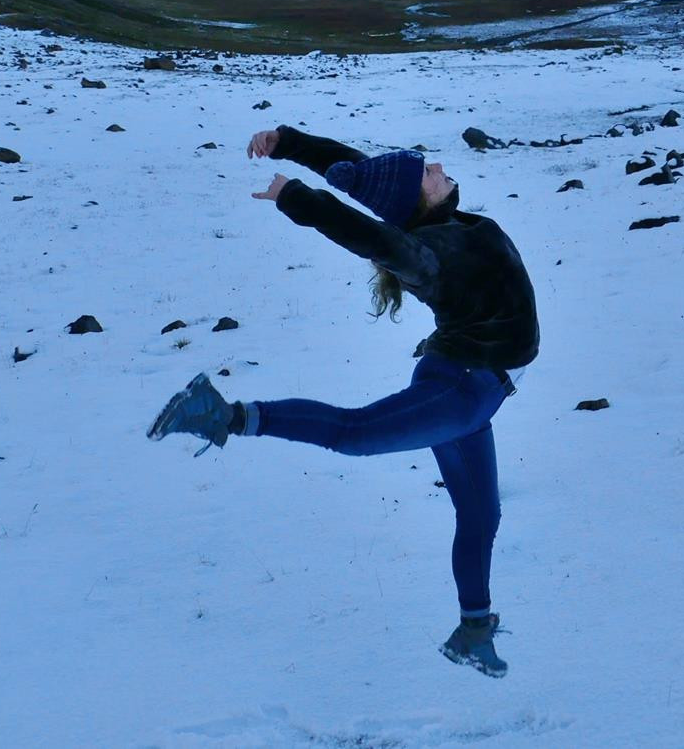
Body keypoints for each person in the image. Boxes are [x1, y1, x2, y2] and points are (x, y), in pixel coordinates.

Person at [148, 124, 540, 677]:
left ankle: (474, 631)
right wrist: (297, 199)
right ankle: (223, 413)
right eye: (428, 172)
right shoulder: (426, 251)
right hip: (463, 388)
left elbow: (369, 180)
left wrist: (288, 142)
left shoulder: (444, 224)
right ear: (421, 201)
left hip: (471, 388)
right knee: (354, 435)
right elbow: (372, 235)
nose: (437, 168)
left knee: (481, 513)